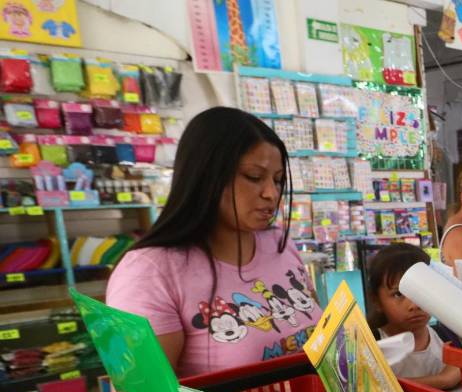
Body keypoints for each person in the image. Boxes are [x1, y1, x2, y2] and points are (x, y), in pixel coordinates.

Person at [107, 107, 318, 377]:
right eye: (254, 177)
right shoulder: (149, 272)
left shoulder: (279, 243)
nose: (271, 193)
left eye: (277, 180)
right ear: (206, 175)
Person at [365, 243, 461, 390]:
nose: (414, 305)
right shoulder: (371, 347)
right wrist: (443, 380)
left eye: (422, 290)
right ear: (377, 301)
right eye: (398, 294)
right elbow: (375, 390)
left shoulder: (447, 338)